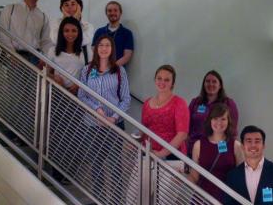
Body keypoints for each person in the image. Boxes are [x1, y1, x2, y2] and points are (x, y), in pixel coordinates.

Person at [77, 35, 131, 202]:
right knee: (96, 166)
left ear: (112, 49)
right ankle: (97, 199)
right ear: (96, 48)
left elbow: (126, 99)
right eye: (101, 45)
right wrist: (97, 110)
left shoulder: (119, 71)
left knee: (115, 166)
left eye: (107, 45)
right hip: (92, 125)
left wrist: (113, 118)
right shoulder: (86, 70)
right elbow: (82, 95)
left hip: (114, 126)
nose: (104, 48)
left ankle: (116, 201)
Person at [188, 103, 243, 202]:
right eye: (215, 118)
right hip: (202, 198)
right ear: (210, 120)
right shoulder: (198, 145)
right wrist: (181, 179)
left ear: (228, 121)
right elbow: (194, 175)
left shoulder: (236, 146)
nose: (219, 122)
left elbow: (242, 177)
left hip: (226, 199)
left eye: (223, 119)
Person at [224, 125, 273, 205]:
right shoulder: (232, 176)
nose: (253, 145)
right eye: (249, 141)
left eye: (257, 141)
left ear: (263, 146)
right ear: (242, 146)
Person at [0, 0, 52, 67]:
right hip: (14, 56)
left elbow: (45, 41)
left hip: (35, 59)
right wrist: (12, 55)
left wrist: (45, 58)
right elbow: (3, 33)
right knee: (15, 81)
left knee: (33, 81)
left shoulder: (42, 16)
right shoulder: (10, 9)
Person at [141, 64, 189, 159]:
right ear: (155, 80)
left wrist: (161, 154)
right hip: (148, 153)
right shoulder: (146, 103)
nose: (162, 82)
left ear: (173, 83)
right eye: (159, 78)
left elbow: (182, 134)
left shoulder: (179, 103)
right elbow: (143, 129)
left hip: (171, 157)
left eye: (167, 80)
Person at [188, 70, 239, 155]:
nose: (210, 84)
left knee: (218, 167)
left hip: (220, 146)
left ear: (220, 86)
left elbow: (233, 130)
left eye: (214, 82)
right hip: (196, 146)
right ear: (204, 84)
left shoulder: (228, 103)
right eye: (207, 81)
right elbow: (187, 126)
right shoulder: (195, 102)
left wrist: (227, 150)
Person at [47, 17, 91, 95]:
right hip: (56, 94)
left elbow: (92, 74)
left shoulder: (86, 51)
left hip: (78, 96)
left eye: (74, 31)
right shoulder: (52, 51)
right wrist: (54, 77)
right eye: (66, 31)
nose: (70, 34)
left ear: (79, 32)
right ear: (61, 32)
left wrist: (80, 84)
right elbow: (45, 72)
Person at [92, 1, 134, 67]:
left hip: (117, 71)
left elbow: (127, 55)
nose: (112, 13)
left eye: (115, 10)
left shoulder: (127, 33)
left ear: (120, 13)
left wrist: (112, 67)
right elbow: (94, 50)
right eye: (109, 11)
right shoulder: (99, 32)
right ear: (106, 13)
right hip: (99, 69)